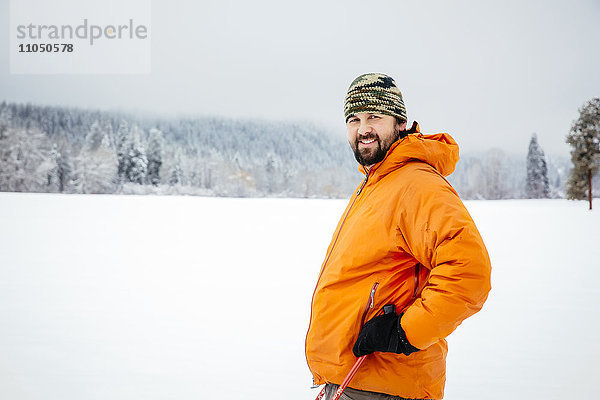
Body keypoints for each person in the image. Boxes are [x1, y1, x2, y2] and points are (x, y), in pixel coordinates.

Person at [305, 73, 492, 400]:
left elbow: (469, 273)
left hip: (388, 384)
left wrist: (404, 333)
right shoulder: (377, 183)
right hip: (354, 376)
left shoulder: (417, 185)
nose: (363, 128)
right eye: (354, 119)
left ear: (400, 123)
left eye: (374, 117)